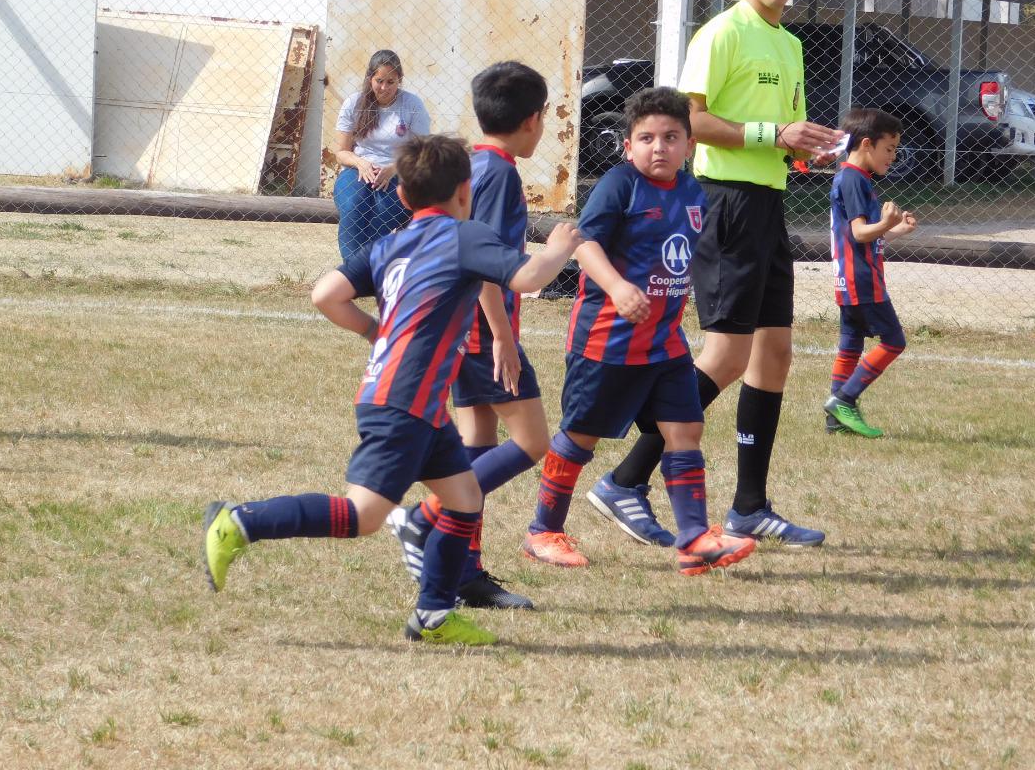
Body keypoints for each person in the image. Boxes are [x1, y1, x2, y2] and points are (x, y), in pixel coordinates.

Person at [201, 135, 582, 646]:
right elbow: (528, 275)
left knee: (464, 499)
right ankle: (237, 521)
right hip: (404, 403)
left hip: (411, 400)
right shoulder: (464, 236)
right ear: (466, 192)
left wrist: (373, 331)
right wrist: (559, 247)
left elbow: (325, 295)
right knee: (362, 516)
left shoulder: (388, 245)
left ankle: (434, 616)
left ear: (403, 197)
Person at [592, 0, 841, 549]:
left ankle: (750, 507)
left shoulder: (789, 45)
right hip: (725, 204)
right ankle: (624, 480)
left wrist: (811, 149)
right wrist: (770, 137)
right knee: (726, 356)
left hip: (769, 203)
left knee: (774, 354)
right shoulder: (722, 32)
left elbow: (784, 133)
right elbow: (687, 119)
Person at [520, 87, 756, 576]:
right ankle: (543, 531)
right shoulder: (618, 185)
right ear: (628, 146)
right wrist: (618, 287)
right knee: (580, 437)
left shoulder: (692, 191)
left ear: (690, 145)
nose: (659, 147)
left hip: (665, 342)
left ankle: (694, 540)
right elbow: (584, 245)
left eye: (671, 137)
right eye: (646, 138)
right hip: (608, 341)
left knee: (685, 430)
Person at [386, 61, 552, 612]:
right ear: (533, 120)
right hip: (483, 332)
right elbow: (480, 260)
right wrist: (502, 335)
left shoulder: (475, 165)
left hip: (461, 331)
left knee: (475, 447)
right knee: (531, 443)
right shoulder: (499, 172)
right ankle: (423, 517)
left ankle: (465, 571)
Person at [823, 109, 916, 438]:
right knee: (894, 341)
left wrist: (895, 230)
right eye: (889, 148)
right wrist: (885, 224)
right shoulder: (852, 179)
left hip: (850, 278)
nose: (893, 156)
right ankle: (845, 400)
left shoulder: (855, 178)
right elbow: (861, 233)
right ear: (866, 144)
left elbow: (863, 235)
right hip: (862, 279)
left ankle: (836, 419)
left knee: (851, 343)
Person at [332, 49, 430, 261]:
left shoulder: (412, 105)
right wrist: (360, 163)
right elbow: (341, 152)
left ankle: (363, 268)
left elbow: (421, 151)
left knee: (382, 213)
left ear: (399, 81)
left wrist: (394, 167)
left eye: (391, 82)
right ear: (370, 78)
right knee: (353, 204)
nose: (384, 88)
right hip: (357, 170)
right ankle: (353, 270)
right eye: (379, 81)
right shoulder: (354, 103)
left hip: (399, 172)